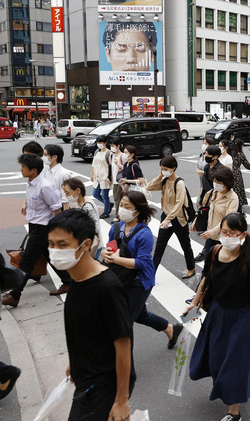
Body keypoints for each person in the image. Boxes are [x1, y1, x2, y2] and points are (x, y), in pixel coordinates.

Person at [186, 213, 250, 421]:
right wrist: (194, 305)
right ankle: (226, 388)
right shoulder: (214, 252)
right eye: (223, 232)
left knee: (235, 365)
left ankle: (234, 412)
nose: (226, 236)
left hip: (241, 320)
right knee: (216, 358)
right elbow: (205, 282)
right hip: (217, 316)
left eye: (231, 233)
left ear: (243, 235)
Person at [46, 210, 134, 420]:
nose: (54, 251)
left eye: (62, 244)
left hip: (103, 385)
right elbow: (86, 329)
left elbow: (123, 344)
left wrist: (121, 400)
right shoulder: (76, 277)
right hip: (85, 377)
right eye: (51, 244)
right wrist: (75, 362)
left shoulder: (107, 288)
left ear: (85, 245)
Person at [103, 191, 183, 349]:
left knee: (125, 323)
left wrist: (117, 259)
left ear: (137, 211)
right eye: (122, 205)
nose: (123, 209)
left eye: (127, 206)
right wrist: (106, 253)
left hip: (139, 282)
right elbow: (111, 248)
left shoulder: (144, 233)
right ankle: (171, 329)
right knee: (140, 314)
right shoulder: (116, 227)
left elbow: (143, 263)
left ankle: (127, 371)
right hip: (120, 277)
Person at [2, 154, 74, 307]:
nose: (20, 170)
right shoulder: (30, 182)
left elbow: (56, 208)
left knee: (27, 262)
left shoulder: (44, 186)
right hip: (35, 226)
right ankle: (68, 282)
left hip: (44, 228)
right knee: (49, 255)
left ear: (34, 170)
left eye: (23, 167)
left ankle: (15, 295)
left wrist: (55, 229)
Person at [147, 156, 196, 279]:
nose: (163, 171)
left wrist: (168, 220)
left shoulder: (179, 183)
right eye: (162, 168)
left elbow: (179, 204)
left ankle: (191, 268)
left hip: (178, 219)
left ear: (173, 168)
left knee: (185, 245)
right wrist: (160, 176)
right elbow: (149, 187)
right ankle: (151, 274)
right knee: (159, 247)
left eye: (165, 169)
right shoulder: (164, 180)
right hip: (166, 217)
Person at [192, 166, 239, 262]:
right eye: (215, 181)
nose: (216, 184)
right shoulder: (212, 192)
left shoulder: (232, 198)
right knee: (208, 264)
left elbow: (227, 220)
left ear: (226, 183)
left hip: (224, 238)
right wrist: (195, 222)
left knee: (221, 265)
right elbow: (204, 209)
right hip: (211, 235)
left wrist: (212, 231)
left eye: (219, 182)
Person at [62, 178, 103, 260]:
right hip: (85, 245)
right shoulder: (80, 203)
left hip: (92, 246)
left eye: (68, 193)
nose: (66, 196)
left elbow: (96, 228)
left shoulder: (87, 206)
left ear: (78, 190)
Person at [42, 144, 72, 211]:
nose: (43, 157)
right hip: (48, 207)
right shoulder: (47, 171)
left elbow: (65, 198)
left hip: (58, 208)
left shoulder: (63, 174)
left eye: (45, 155)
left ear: (54, 157)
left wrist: (65, 216)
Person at [91, 137, 113, 219]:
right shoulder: (97, 151)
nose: (99, 144)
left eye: (100, 142)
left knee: (104, 195)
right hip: (97, 176)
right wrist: (92, 174)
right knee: (95, 194)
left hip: (105, 177)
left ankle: (106, 212)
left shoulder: (109, 153)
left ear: (105, 143)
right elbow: (94, 164)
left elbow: (111, 167)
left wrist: (109, 177)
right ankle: (108, 204)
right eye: (98, 142)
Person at [230, 139, 250, 211]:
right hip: (237, 173)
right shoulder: (240, 154)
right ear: (241, 146)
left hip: (229, 172)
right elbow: (246, 164)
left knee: (231, 191)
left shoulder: (230, 153)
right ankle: (239, 209)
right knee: (238, 191)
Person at [109, 139, 127, 221]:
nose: (112, 147)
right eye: (111, 146)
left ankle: (117, 216)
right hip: (115, 181)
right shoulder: (112, 155)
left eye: (113, 146)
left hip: (120, 181)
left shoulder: (122, 156)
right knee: (116, 198)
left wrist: (118, 164)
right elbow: (111, 168)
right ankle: (120, 214)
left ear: (118, 146)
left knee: (117, 198)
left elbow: (126, 168)